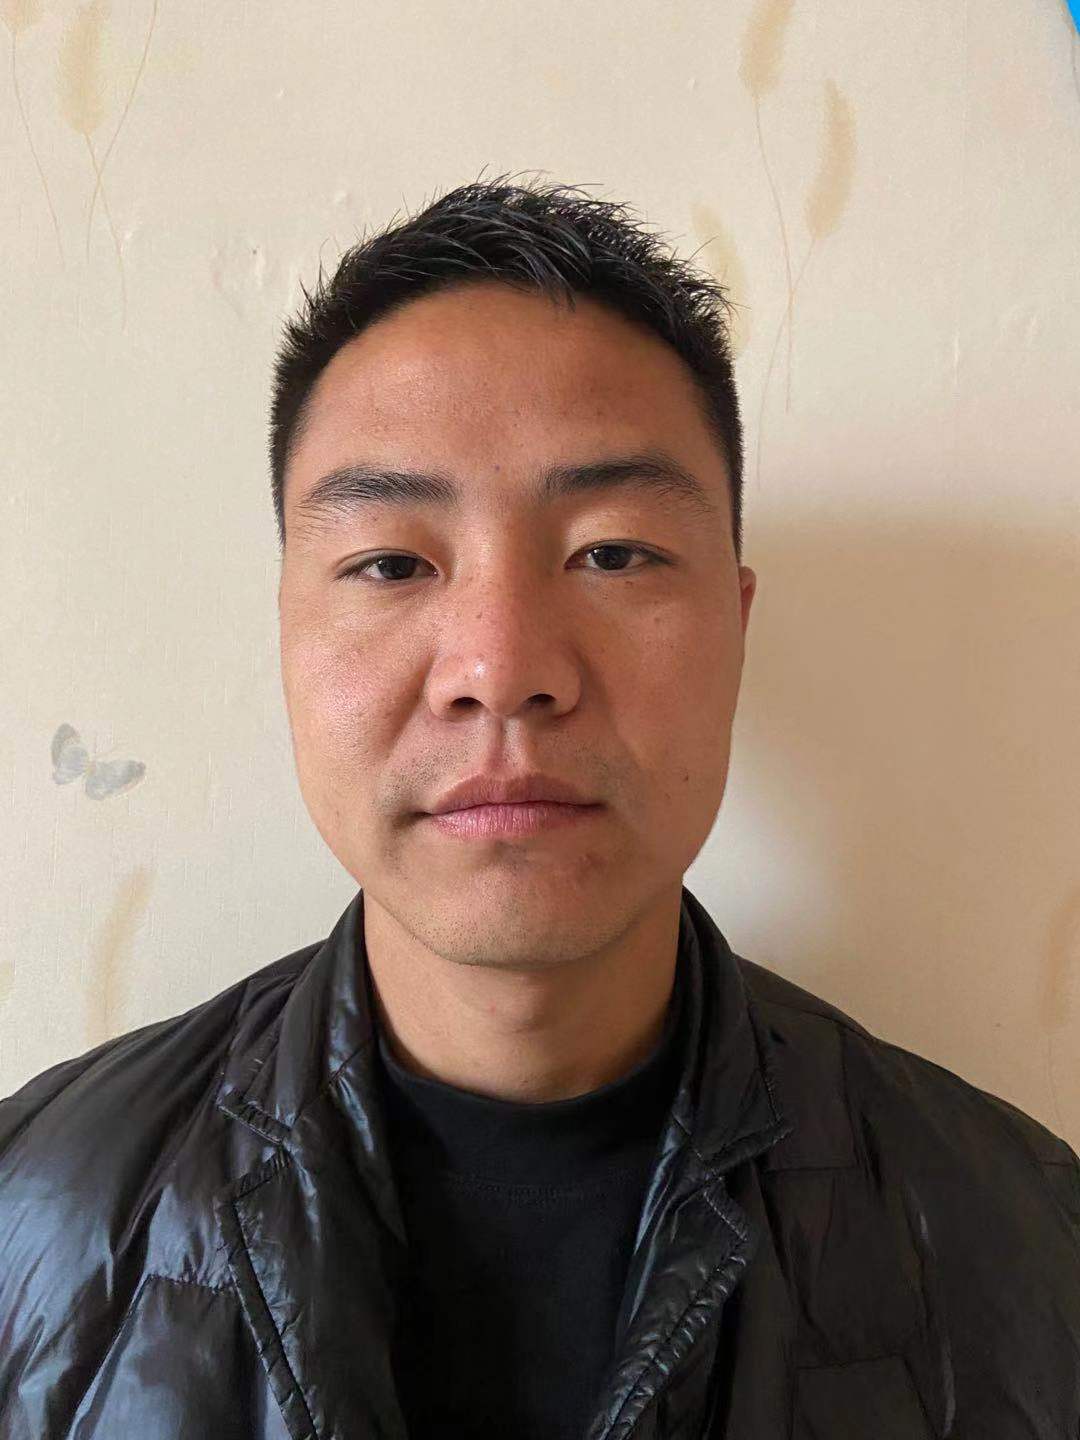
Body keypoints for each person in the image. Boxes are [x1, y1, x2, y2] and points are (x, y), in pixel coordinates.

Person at [1, 174, 1077, 1440]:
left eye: (613, 554)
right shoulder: (31, 1221)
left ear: (736, 629)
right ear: (287, 631)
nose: (502, 668)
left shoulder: (1031, 1250)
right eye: (391, 562)